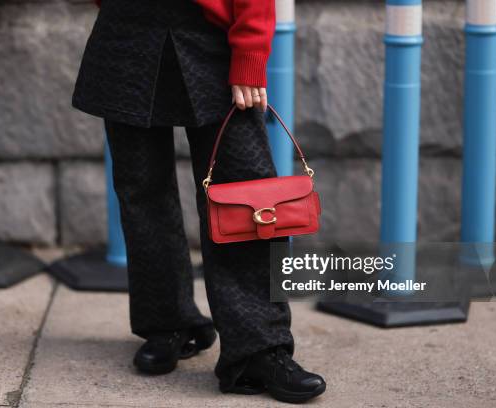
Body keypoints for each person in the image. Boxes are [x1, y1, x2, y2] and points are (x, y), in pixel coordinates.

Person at [72, 0, 326, 403]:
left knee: (246, 198)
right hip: (126, 34)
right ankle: (168, 323)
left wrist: (249, 53)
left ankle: (260, 348)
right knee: (141, 192)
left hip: (211, 36)